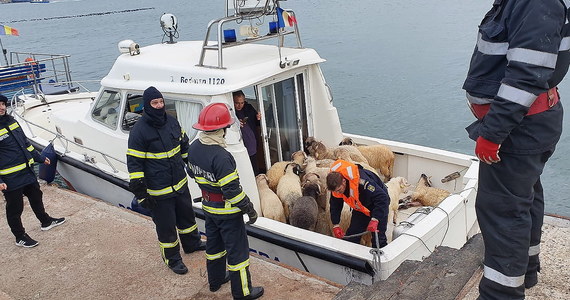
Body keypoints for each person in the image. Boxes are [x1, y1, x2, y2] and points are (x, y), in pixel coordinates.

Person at [463, 1, 570, 299]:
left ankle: (500, 294)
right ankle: (526, 269)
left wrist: (493, 134)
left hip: (519, 128)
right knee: (524, 196)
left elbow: (525, 74)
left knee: (502, 212)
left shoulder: (534, 2)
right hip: (532, 122)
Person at [187, 102, 264, 300]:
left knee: (214, 246)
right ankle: (243, 292)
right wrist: (248, 208)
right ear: (221, 129)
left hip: (208, 208)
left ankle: (216, 280)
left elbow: (192, 173)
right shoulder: (222, 156)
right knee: (238, 253)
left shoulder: (194, 148)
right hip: (228, 213)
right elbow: (232, 191)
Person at [126, 86, 205, 275]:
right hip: (159, 191)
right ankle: (172, 259)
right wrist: (141, 193)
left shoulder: (172, 121)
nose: (159, 105)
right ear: (147, 105)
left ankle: (192, 243)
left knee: (187, 218)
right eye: (155, 103)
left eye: (161, 101)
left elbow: (184, 145)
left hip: (180, 184)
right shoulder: (139, 131)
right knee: (166, 227)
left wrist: (191, 166)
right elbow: (135, 165)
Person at [0, 94, 65, 248]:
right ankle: (20, 236)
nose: (1, 107)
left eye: (3, 104)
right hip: (10, 178)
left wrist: (39, 158)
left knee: (36, 196)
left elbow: (25, 144)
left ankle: (46, 221)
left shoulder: (12, 122)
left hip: (27, 172)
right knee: (15, 208)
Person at [326, 159, 390, 248]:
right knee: (353, 234)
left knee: (378, 239)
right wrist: (336, 224)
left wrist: (375, 219)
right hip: (361, 207)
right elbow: (335, 205)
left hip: (378, 204)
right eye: (336, 191)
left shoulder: (364, 183)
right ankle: (349, 257)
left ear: (344, 181)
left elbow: (382, 198)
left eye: (339, 190)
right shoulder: (336, 188)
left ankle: (380, 257)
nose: (339, 193)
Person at [232, 91, 261, 175]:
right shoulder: (230, 113)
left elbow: (257, 123)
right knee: (244, 171)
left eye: (242, 102)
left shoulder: (249, 108)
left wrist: (258, 118)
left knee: (254, 169)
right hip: (240, 146)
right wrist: (236, 123)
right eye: (237, 103)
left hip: (252, 143)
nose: (239, 105)